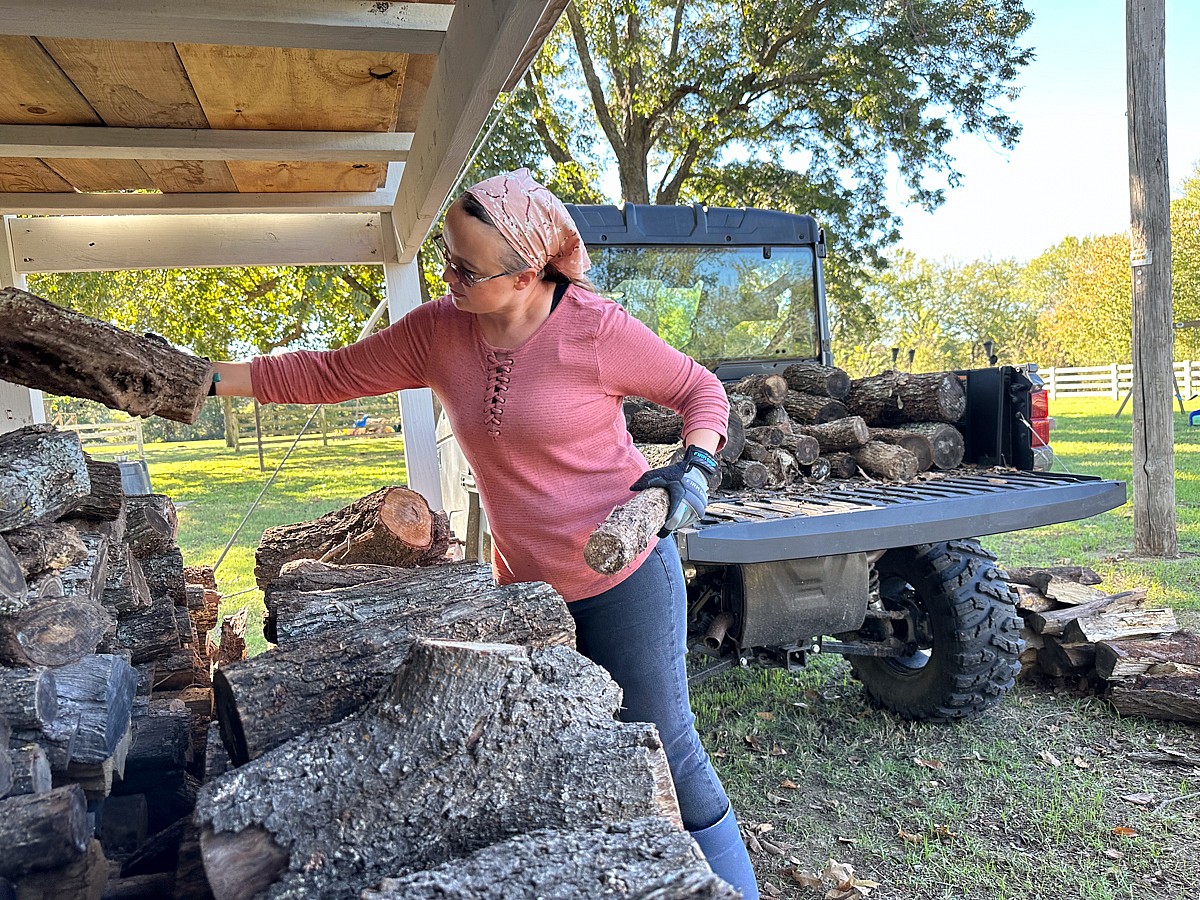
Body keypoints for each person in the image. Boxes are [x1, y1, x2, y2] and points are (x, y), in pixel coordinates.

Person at [211, 168, 759, 898]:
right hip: (523, 594)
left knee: (666, 746)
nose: (447, 280)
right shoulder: (440, 331)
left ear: (529, 273)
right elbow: (327, 373)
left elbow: (701, 390)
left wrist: (694, 464)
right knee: (552, 755)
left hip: (620, 579)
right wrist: (208, 378)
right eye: (446, 257)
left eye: (465, 270)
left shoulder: (595, 329)